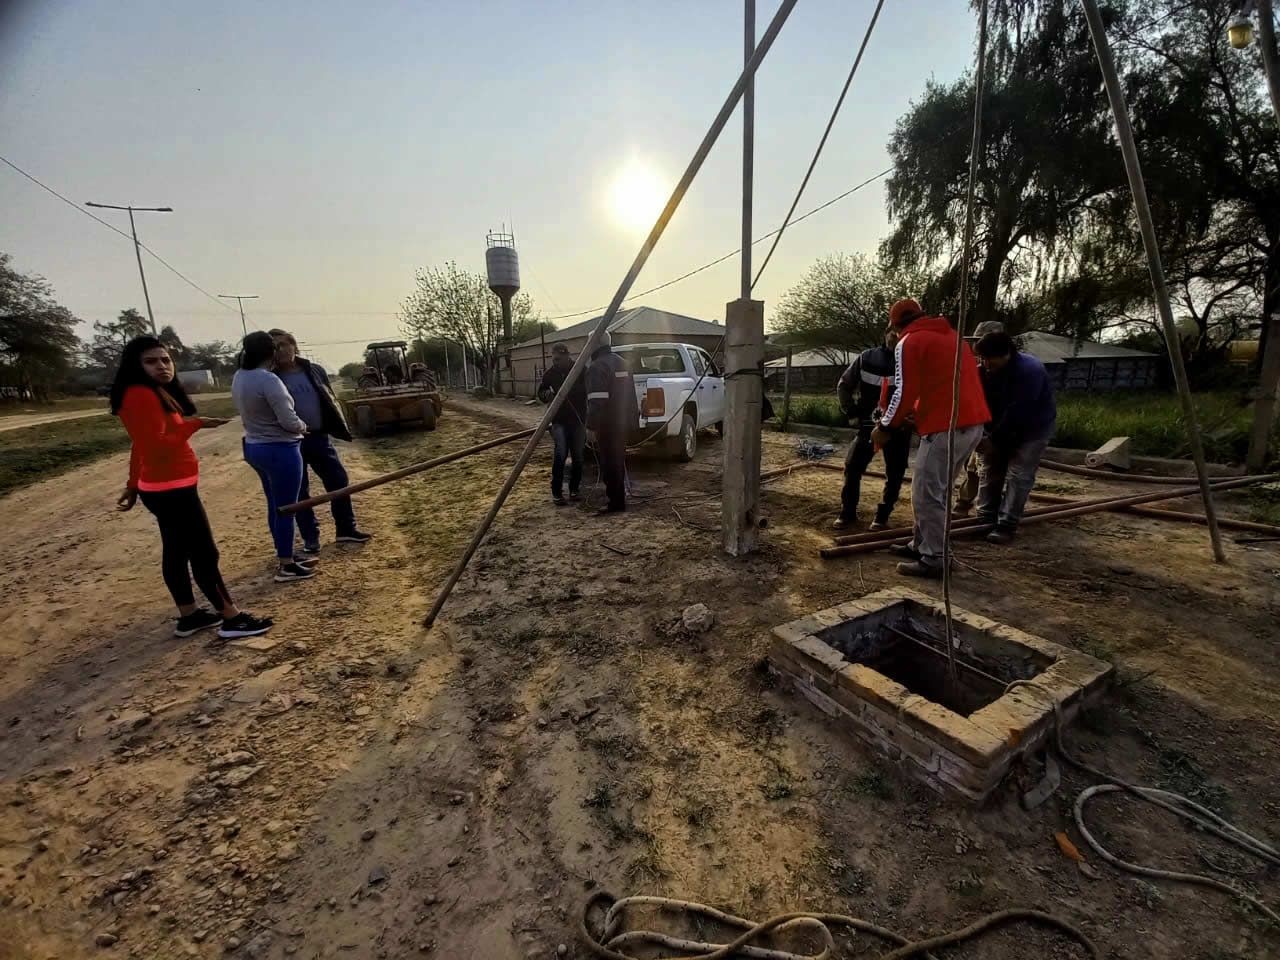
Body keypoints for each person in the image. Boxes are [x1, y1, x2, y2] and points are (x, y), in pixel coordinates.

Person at [111, 335, 273, 640]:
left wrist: (133, 483)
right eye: (151, 361)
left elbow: (140, 446)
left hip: (165, 487)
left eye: (166, 360)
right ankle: (231, 618)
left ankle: (190, 616)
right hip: (170, 491)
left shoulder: (151, 392)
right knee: (203, 553)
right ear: (135, 366)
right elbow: (156, 448)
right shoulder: (140, 395)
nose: (162, 366)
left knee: (177, 551)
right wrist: (195, 424)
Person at [872, 298, 990, 578]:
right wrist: (917, 412)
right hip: (971, 424)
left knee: (926, 493)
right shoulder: (954, 338)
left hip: (946, 426)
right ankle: (922, 543)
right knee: (939, 490)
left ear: (896, 325)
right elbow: (939, 382)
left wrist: (886, 426)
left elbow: (904, 388)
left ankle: (935, 557)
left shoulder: (909, 342)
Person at [269, 329, 372, 553]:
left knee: (338, 480)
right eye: (274, 347)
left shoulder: (314, 370)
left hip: (318, 436)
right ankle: (311, 537)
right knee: (300, 491)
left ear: (294, 346)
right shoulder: (271, 377)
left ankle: (346, 529)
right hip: (290, 441)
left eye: (283, 344)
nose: (280, 351)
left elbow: (328, 399)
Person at [231, 331, 317, 583]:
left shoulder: (239, 376)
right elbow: (289, 421)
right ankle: (287, 565)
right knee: (287, 509)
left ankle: (285, 554)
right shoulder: (269, 380)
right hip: (280, 449)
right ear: (271, 353)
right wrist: (303, 426)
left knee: (275, 506)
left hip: (255, 446)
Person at [972, 331, 1057, 544]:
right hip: (998, 427)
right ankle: (985, 517)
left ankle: (1006, 524)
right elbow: (976, 405)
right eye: (981, 359)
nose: (985, 363)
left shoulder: (1030, 371)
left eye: (989, 359)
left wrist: (993, 440)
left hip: (1031, 431)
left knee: (1019, 475)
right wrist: (981, 434)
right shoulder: (983, 372)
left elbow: (1018, 413)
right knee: (990, 470)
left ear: (1006, 354)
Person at [833, 325, 911, 531]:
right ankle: (847, 512)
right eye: (891, 331)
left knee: (895, 472)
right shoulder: (867, 357)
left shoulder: (912, 360)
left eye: (900, 331)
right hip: (868, 424)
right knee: (852, 466)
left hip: (898, 427)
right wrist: (851, 412)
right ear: (885, 334)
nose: (895, 335)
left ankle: (882, 516)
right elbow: (844, 385)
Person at [954, 320, 1006, 515]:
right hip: (981, 423)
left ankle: (991, 509)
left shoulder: (1009, 370)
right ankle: (966, 502)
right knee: (973, 466)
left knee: (989, 468)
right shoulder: (977, 368)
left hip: (1003, 425)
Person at [585, 330, 638, 514]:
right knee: (617, 461)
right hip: (622, 423)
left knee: (609, 463)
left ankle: (615, 503)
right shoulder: (623, 363)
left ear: (595, 344)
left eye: (588, 342)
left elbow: (596, 401)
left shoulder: (597, 367)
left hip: (607, 424)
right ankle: (619, 499)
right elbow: (632, 396)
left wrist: (591, 427)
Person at [538, 342, 588, 506]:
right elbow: (541, 394)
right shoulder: (549, 374)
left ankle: (574, 490)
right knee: (560, 454)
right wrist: (548, 394)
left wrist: (572, 391)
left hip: (578, 419)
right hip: (559, 421)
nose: (556, 362)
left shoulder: (580, 370)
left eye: (559, 359)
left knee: (578, 456)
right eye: (554, 359)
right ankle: (557, 492)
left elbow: (589, 388)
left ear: (567, 356)